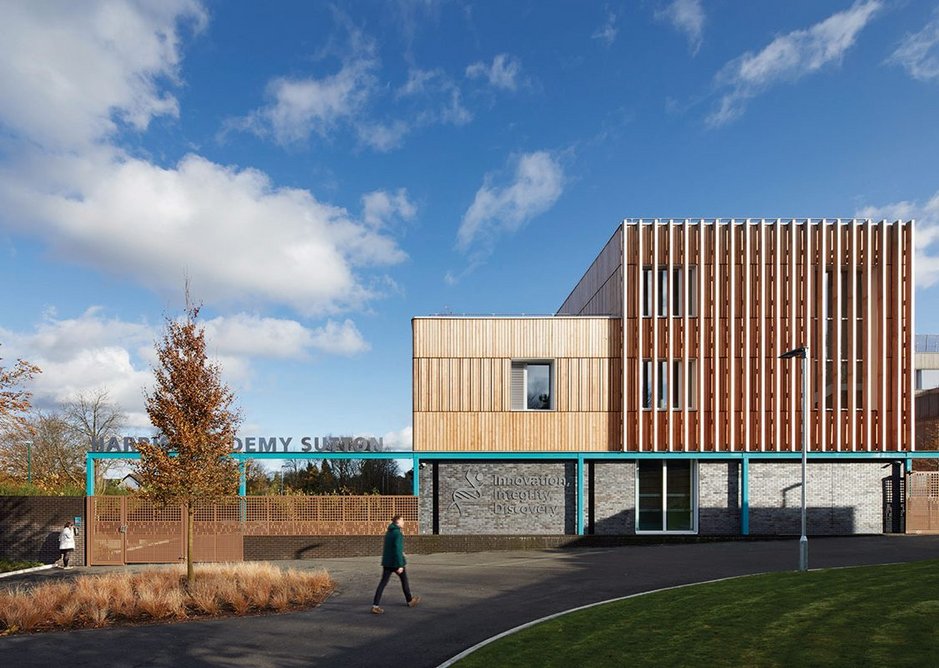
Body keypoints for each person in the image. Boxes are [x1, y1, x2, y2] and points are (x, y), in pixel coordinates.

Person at [371, 514, 420, 614]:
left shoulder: (389, 533)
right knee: (404, 581)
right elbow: (397, 549)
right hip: (396, 562)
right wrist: (400, 565)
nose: (403, 522)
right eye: (402, 520)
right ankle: (410, 601)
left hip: (387, 562)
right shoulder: (398, 533)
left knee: (382, 583)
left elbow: (391, 548)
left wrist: (401, 553)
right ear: (397, 522)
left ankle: (375, 605)